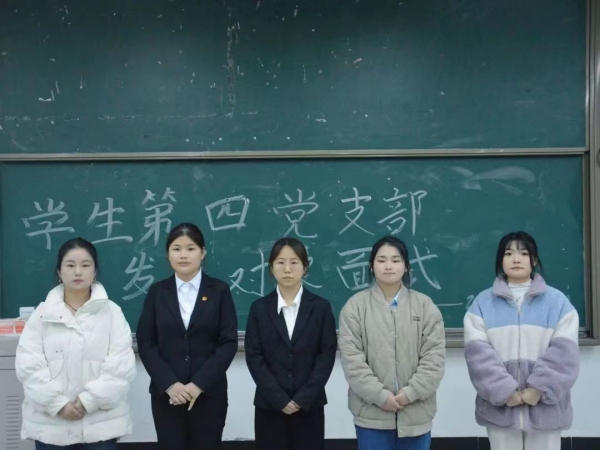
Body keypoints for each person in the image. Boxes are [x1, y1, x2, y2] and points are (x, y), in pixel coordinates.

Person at [16, 238, 136, 449]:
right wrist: (58, 404)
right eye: (70, 265)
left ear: (95, 271)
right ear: (59, 272)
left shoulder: (112, 313)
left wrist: (88, 401)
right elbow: (29, 367)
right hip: (51, 426)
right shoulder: (42, 315)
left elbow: (121, 368)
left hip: (100, 426)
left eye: (85, 265)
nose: (78, 272)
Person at [464, 231, 579, 450]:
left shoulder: (558, 303)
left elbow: (565, 354)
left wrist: (539, 389)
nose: (516, 259)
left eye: (523, 253)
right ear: (501, 260)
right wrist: (504, 391)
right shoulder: (482, 304)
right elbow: (478, 357)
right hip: (501, 411)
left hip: (546, 410)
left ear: (533, 260)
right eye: (508, 254)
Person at [136, 223, 238, 450]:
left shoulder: (219, 290)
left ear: (202, 253)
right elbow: (146, 342)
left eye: (190, 248)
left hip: (209, 393)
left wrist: (198, 384)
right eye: (176, 249)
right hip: (167, 396)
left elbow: (228, 343)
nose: (183, 255)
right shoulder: (157, 292)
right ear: (168, 254)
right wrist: (170, 384)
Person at [338, 235, 445, 450]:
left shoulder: (425, 306)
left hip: (416, 415)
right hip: (371, 417)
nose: (388, 266)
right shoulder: (355, 307)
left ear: (406, 267)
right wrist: (380, 396)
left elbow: (434, 360)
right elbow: (352, 361)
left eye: (396, 260)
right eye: (381, 260)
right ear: (371, 266)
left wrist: (409, 394)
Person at [245, 237, 337, 450]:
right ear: (271, 268)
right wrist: (279, 399)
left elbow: (326, 355)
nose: (287, 269)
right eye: (280, 262)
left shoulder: (321, 307)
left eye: (294, 262)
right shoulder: (259, 308)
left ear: (305, 267)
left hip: (309, 406)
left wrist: (302, 398)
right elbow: (254, 356)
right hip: (269, 406)